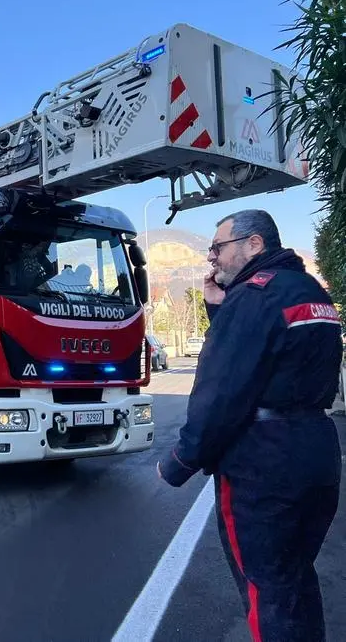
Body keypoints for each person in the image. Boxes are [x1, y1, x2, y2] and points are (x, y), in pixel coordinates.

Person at [157, 209, 342, 641]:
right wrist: (219, 307)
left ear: (253, 244)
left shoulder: (254, 296)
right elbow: (274, 362)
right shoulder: (311, 290)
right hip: (318, 453)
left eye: (218, 248)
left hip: (264, 464)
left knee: (267, 591)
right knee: (296, 578)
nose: (212, 259)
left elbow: (223, 389)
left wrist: (181, 460)